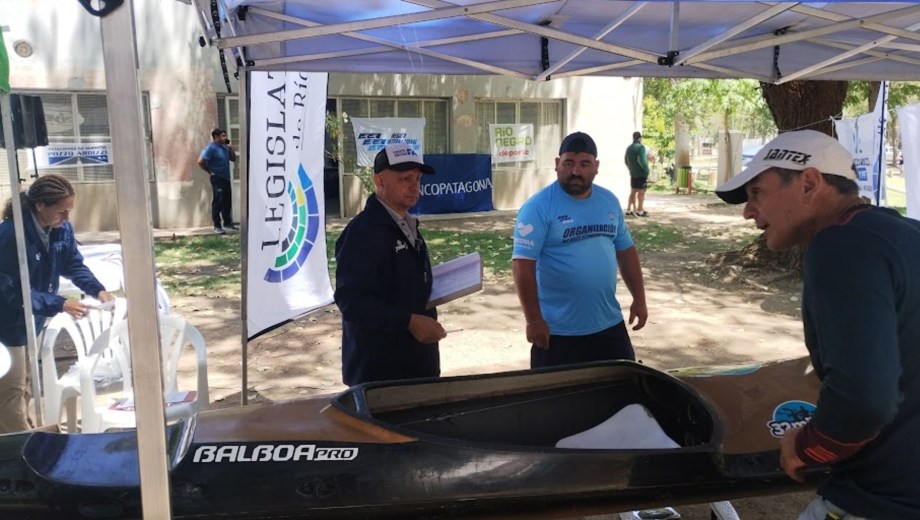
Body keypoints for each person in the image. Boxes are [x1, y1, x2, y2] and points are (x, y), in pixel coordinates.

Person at [715, 129, 920, 520]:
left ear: (809, 183)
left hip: (882, 498)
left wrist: (809, 445)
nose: (748, 211)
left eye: (757, 193)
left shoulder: (841, 245)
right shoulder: (906, 235)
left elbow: (865, 397)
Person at [512, 131, 648, 369]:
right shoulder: (538, 207)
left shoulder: (608, 202)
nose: (576, 171)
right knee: (559, 392)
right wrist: (533, 320)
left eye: (584, 164)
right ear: (557, 164)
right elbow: (523, 265)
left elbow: (626, 252)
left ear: (596, 166)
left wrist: (640, 299)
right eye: (569, 163)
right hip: (557, 332)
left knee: (622, 388)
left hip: (609, 325)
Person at [0, 174, 114, 433]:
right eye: (62, 211)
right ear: (40, 205)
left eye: (69, 211)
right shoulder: (9, 236)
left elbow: (72, 264)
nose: (67, 217)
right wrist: (60, 304)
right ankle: (23, 443)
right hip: (6, 323)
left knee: (26, 383)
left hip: (34, 317)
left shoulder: (61, 229)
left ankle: (20, 433)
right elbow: (13, 292)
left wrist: (98, 290)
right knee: (10, 390)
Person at [334, 143, 446, 386]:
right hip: (380, 372)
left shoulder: (405, 223)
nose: (414, 186)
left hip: (417, 364)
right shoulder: (363, 232)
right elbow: (351, 301)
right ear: (379, 181)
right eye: (404, 179)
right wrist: (408, 321)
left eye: (417, 179)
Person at [197, 128, 236, 234]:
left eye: (225, 135)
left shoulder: (224, 147)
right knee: (218, 201)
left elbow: (233, 159)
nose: (225, 138)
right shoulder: (211, 148)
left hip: (226, 178)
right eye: (223, 136)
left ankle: (227, 223)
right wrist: (210, 171)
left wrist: (230, 149)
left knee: (227, 201)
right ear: (216, 137)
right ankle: (217, 226)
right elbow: (200, 161)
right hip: (217, 178)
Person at [624, 131, 650, 217]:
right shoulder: (641, 147)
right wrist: (646, 170)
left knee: (633, 191)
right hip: (641, 173)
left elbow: (626, 161)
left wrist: (631, 169)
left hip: (633, 173)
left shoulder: (629, 148)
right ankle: (640, 210)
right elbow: (641, 160)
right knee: (641, 192)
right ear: (640, 138)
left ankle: (629, 210)